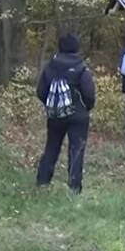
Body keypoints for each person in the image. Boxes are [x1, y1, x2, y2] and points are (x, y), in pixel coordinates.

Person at [36, 34, 97, 194]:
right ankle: (74, 187)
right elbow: (89, 93)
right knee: (77, 149)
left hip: (55, 115)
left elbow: (41, 91)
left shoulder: (50, 66)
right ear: (76, 47)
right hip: (78, 115)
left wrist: (51, 105)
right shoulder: (81, 67)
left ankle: (42, 181)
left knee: (51, 147)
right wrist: (86, 107)